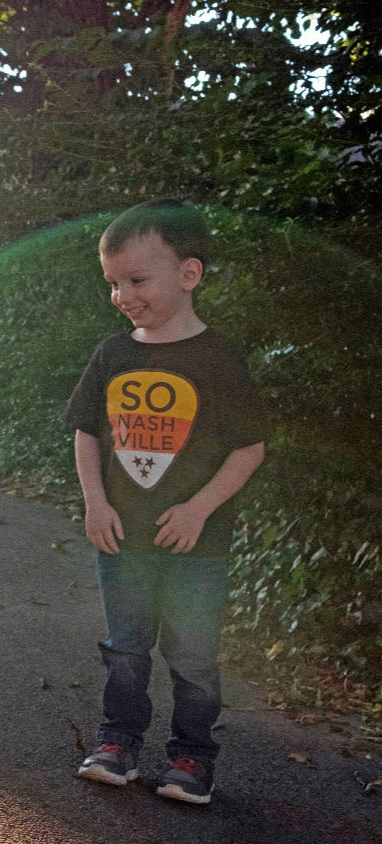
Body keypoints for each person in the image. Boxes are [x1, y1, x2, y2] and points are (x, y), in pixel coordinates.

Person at [63, 199, 268, 804]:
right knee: (125, 648)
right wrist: (96, 503)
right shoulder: (113, 353)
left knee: (194, 658)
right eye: (113, 283)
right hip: (121, 538)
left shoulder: (218, 360)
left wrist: (199, 507)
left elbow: (248, 449)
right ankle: (117, 743)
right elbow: (87, 433)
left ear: (189, 274)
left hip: (196, 547)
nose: (122, 295)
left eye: (136, 279)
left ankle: (191, 757)